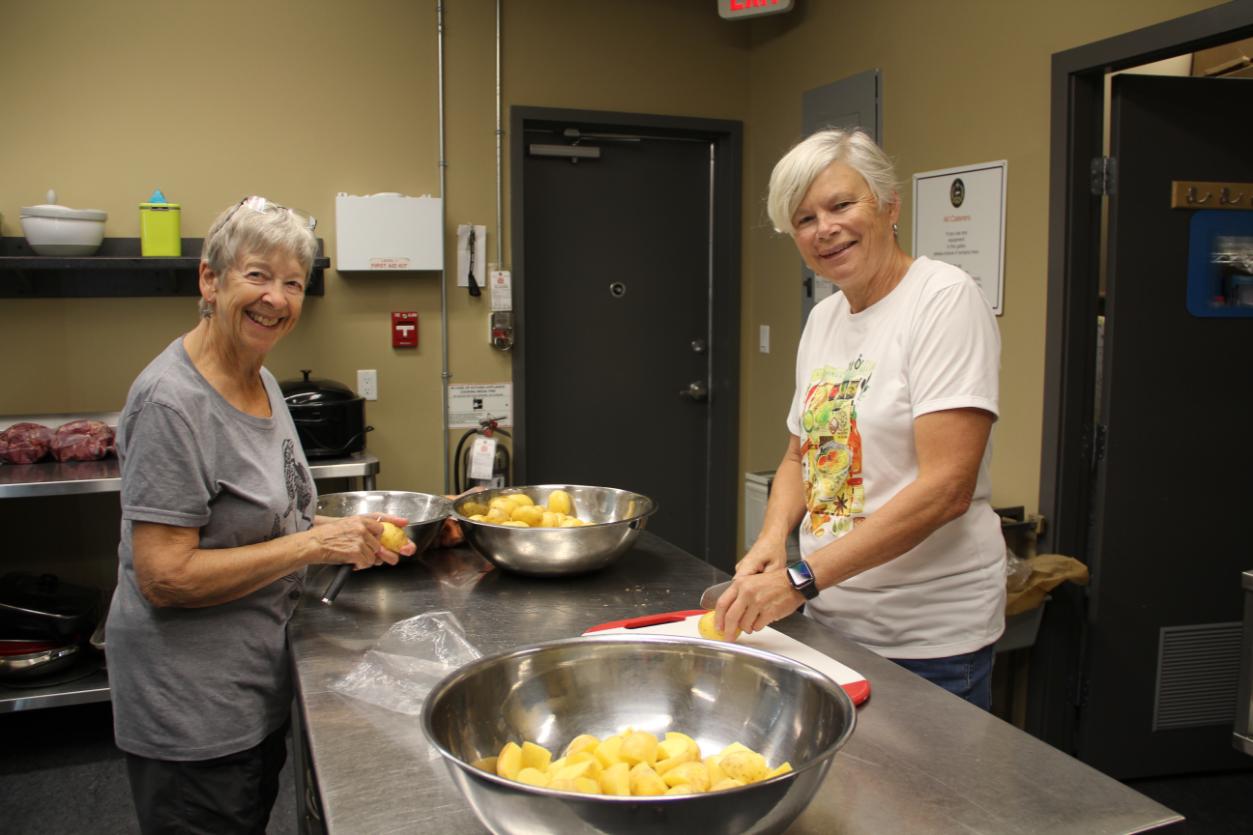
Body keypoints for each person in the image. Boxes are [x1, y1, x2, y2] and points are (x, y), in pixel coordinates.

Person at [106, 196, 417, 833]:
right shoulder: (171, 403)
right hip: (193, 711)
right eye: (257, 275)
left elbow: (272, 521)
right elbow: (164, 576)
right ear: (210, 280)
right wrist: (313, 547)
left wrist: (345, 535)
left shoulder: (262, 381)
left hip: (252, 685)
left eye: (293, 283)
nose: (276, 298)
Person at [715, 129, 1005, 708]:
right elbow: (800, 454)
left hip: (927, 640)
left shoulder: (943, 299)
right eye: (804, 219)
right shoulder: (824, 318)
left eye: (841, 205)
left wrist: (800, 579)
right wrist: (773, 539)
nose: (824, 228)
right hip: (832, 618)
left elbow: (948, 488)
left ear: (890, 206)